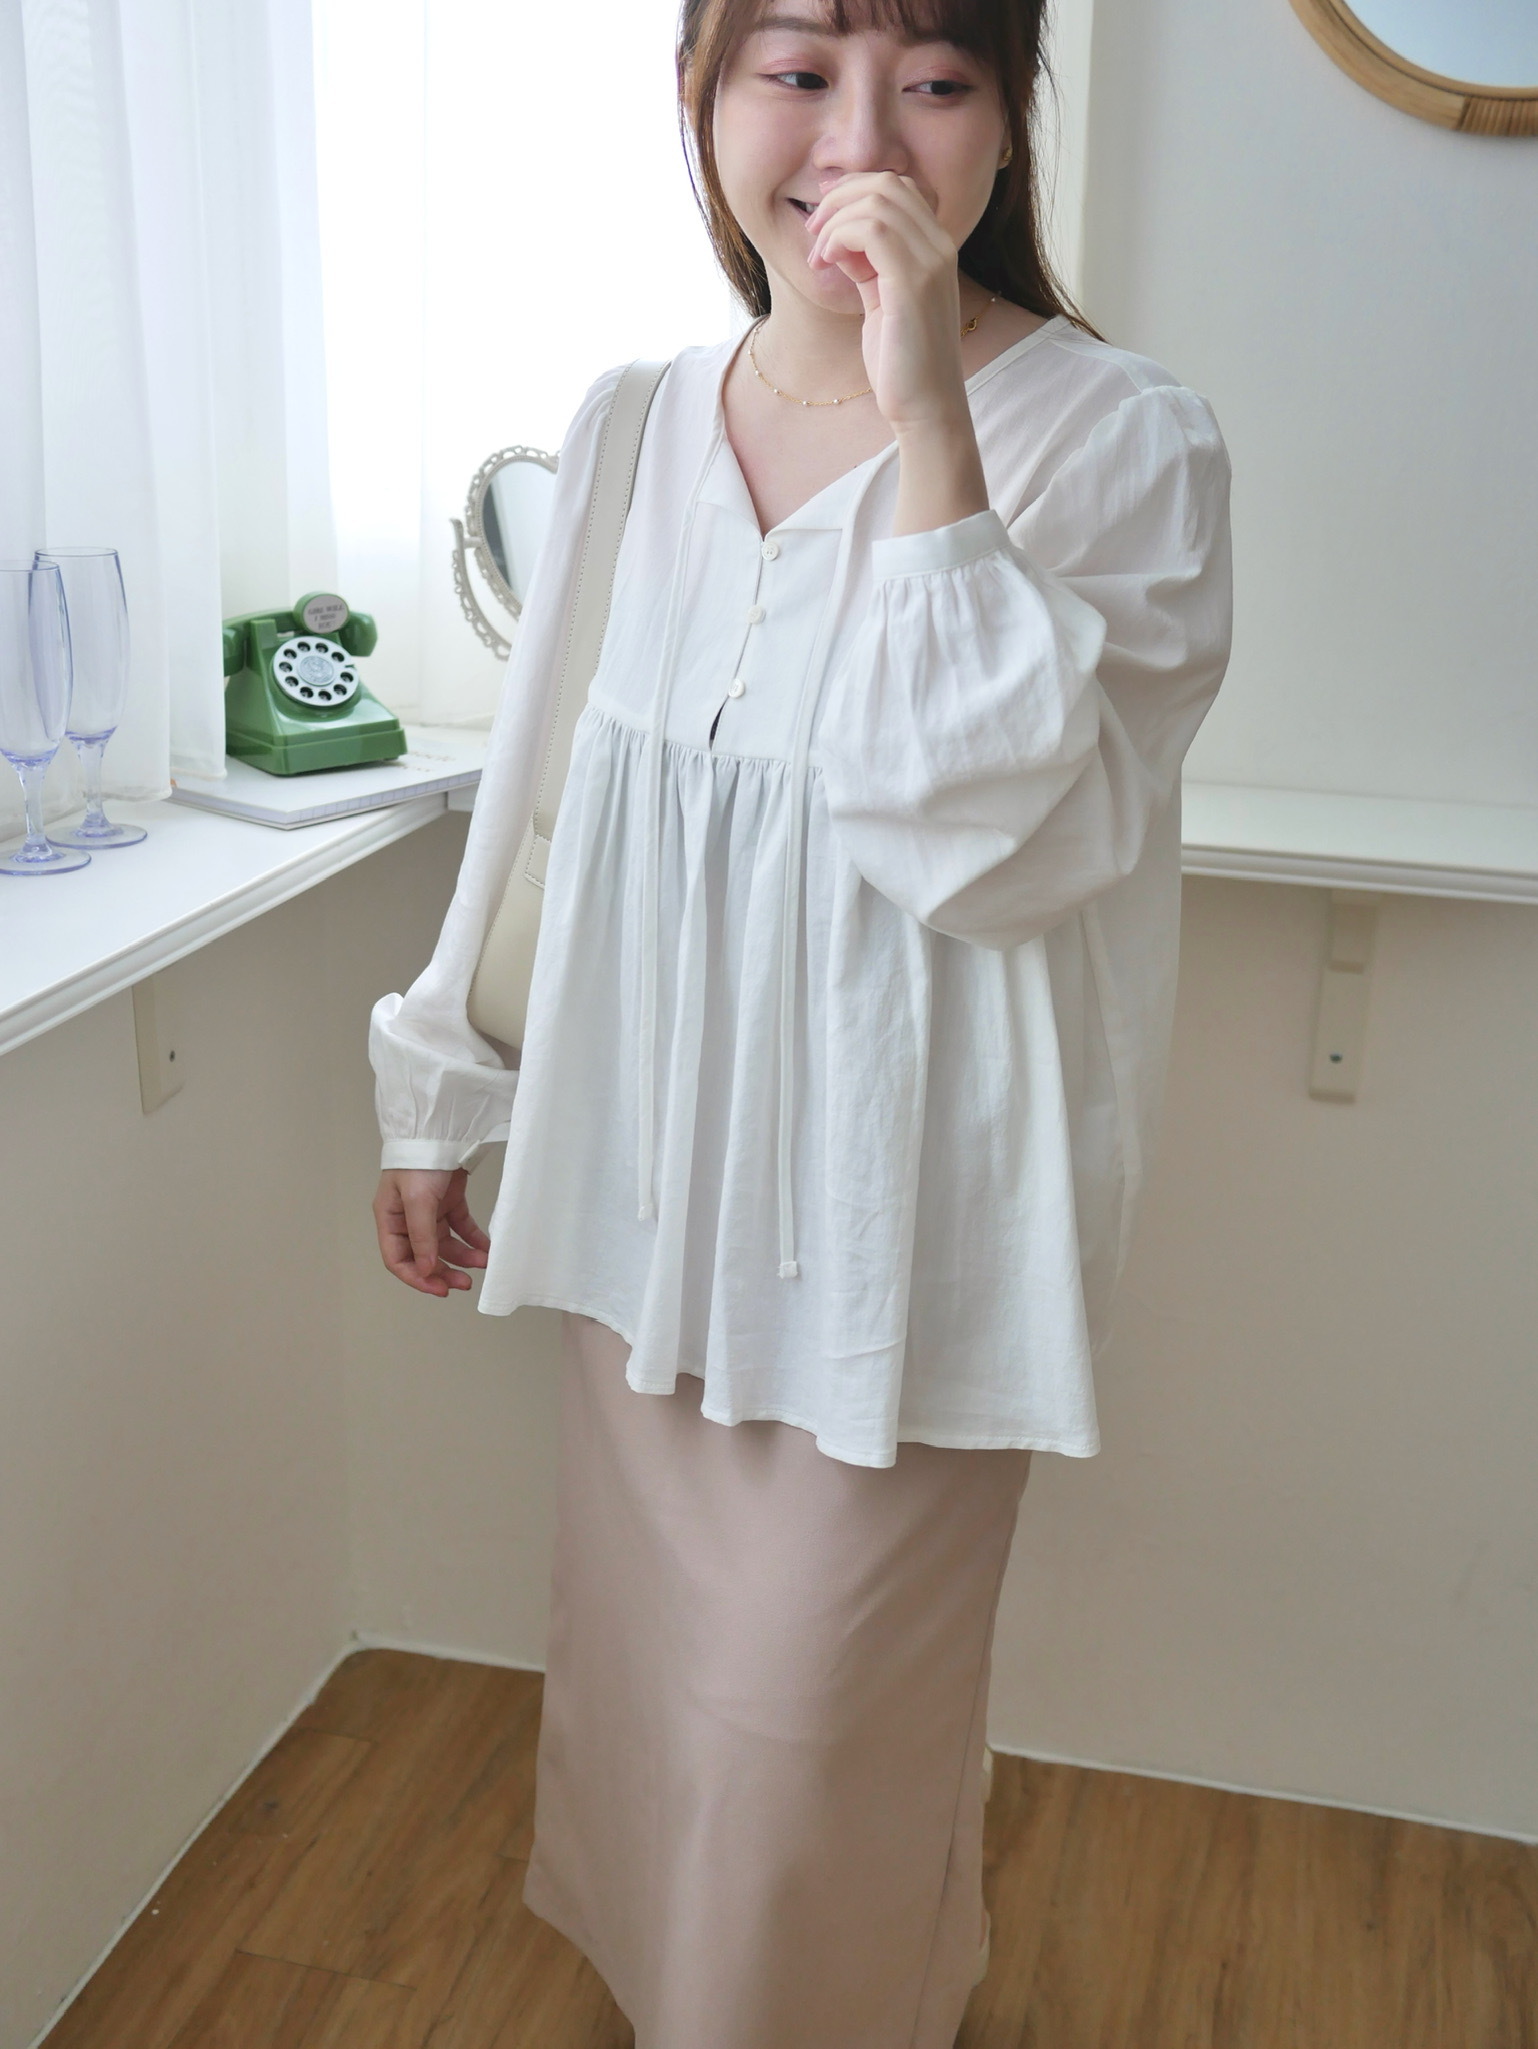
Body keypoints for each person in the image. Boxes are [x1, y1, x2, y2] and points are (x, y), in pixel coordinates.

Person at [369, 0, 1232, 2042]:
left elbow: (981, 836)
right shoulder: (635, 418)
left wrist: (928, 416)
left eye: (934, 82)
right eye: (795, 72)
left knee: (807, 1739)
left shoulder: (1123, 441)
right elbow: (557, 790)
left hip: (892, 1241)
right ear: (700, 103)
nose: (861, 142)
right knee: (660, 1697)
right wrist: (439, 1085)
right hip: (642, 1192)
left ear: (1010, 126)